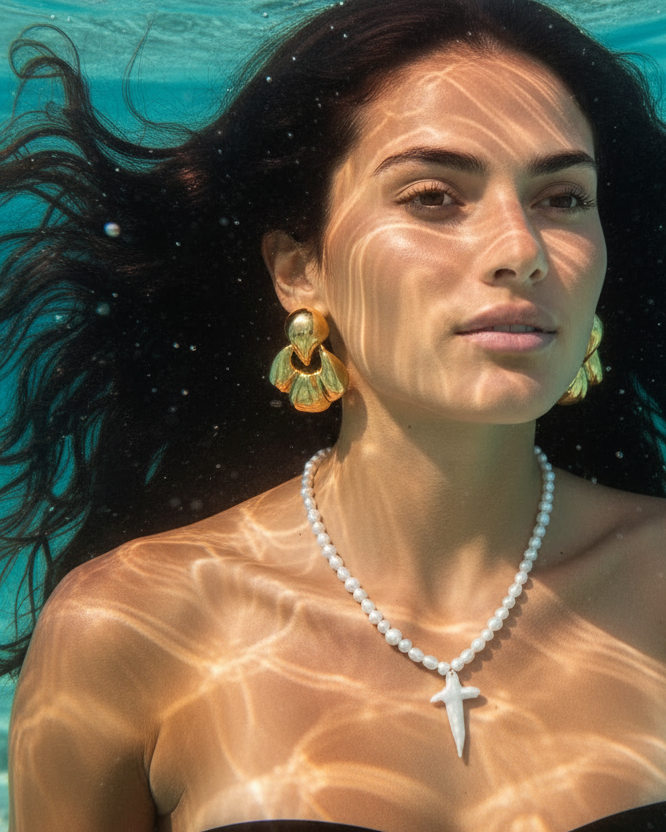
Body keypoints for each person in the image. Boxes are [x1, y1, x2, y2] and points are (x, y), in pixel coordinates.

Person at [2, 0, 666, 829]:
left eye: (563, 198)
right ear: (299, 270)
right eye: (433, 196)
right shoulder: (127, 626)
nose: (521, 251)